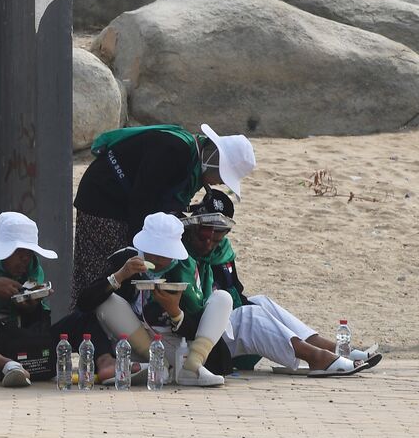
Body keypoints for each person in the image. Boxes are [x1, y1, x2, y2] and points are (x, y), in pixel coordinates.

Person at [182, 190, 375, 375]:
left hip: (224, 334)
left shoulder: (220, 253)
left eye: (217, 240)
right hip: (203, 342)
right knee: (250, 315)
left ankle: (334, 349)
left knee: (261, 302)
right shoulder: (183, 257)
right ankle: (315, 357)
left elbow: (236, 292)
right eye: (204, 238)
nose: (209, 245)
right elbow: (195, 306)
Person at [72, 123, 256, 307]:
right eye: (223, 176)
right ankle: (87, 319)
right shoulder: (174, 150)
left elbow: (165, 204)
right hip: (103, 199)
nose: (220, 183)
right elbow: (142, 200)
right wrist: (138, 247)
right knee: (108, 268)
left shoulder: (192, 161)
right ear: (214, 160)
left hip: (125, 201)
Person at [0, 212, 115, 388]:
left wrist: (31, 307)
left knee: (83, 318)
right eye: (19, 253)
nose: (24, 259)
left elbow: (37, 328)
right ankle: (4, 364)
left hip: (23, 346)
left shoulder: (31, 268)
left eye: (29, 253)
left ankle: (106, 363)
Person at [75, 212, 233, 387]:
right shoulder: (127, 259)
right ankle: (158, 366)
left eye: (164, 253)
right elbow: (84, 303)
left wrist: (175, 313)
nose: (157, 259)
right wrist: (119, 276)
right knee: (106, 300)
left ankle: (192, 368)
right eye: (153, 251)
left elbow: (197, 326)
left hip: (181, 348)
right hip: (139, 345)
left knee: (223, 298)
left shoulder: (186, 266)